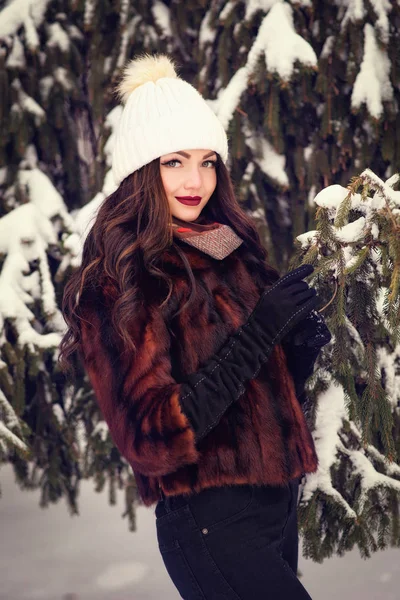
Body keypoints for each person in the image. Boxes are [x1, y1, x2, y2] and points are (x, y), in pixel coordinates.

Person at [59, 53, 331, 599]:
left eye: (208, 162)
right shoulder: (121, 278)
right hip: (212, 523)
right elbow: (151, 438)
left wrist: (293, 350)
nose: (196, 180)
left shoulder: (225, 244)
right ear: (141, 170)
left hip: (275, 506)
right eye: (174, 162)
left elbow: (253, 391)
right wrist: (260, 333)